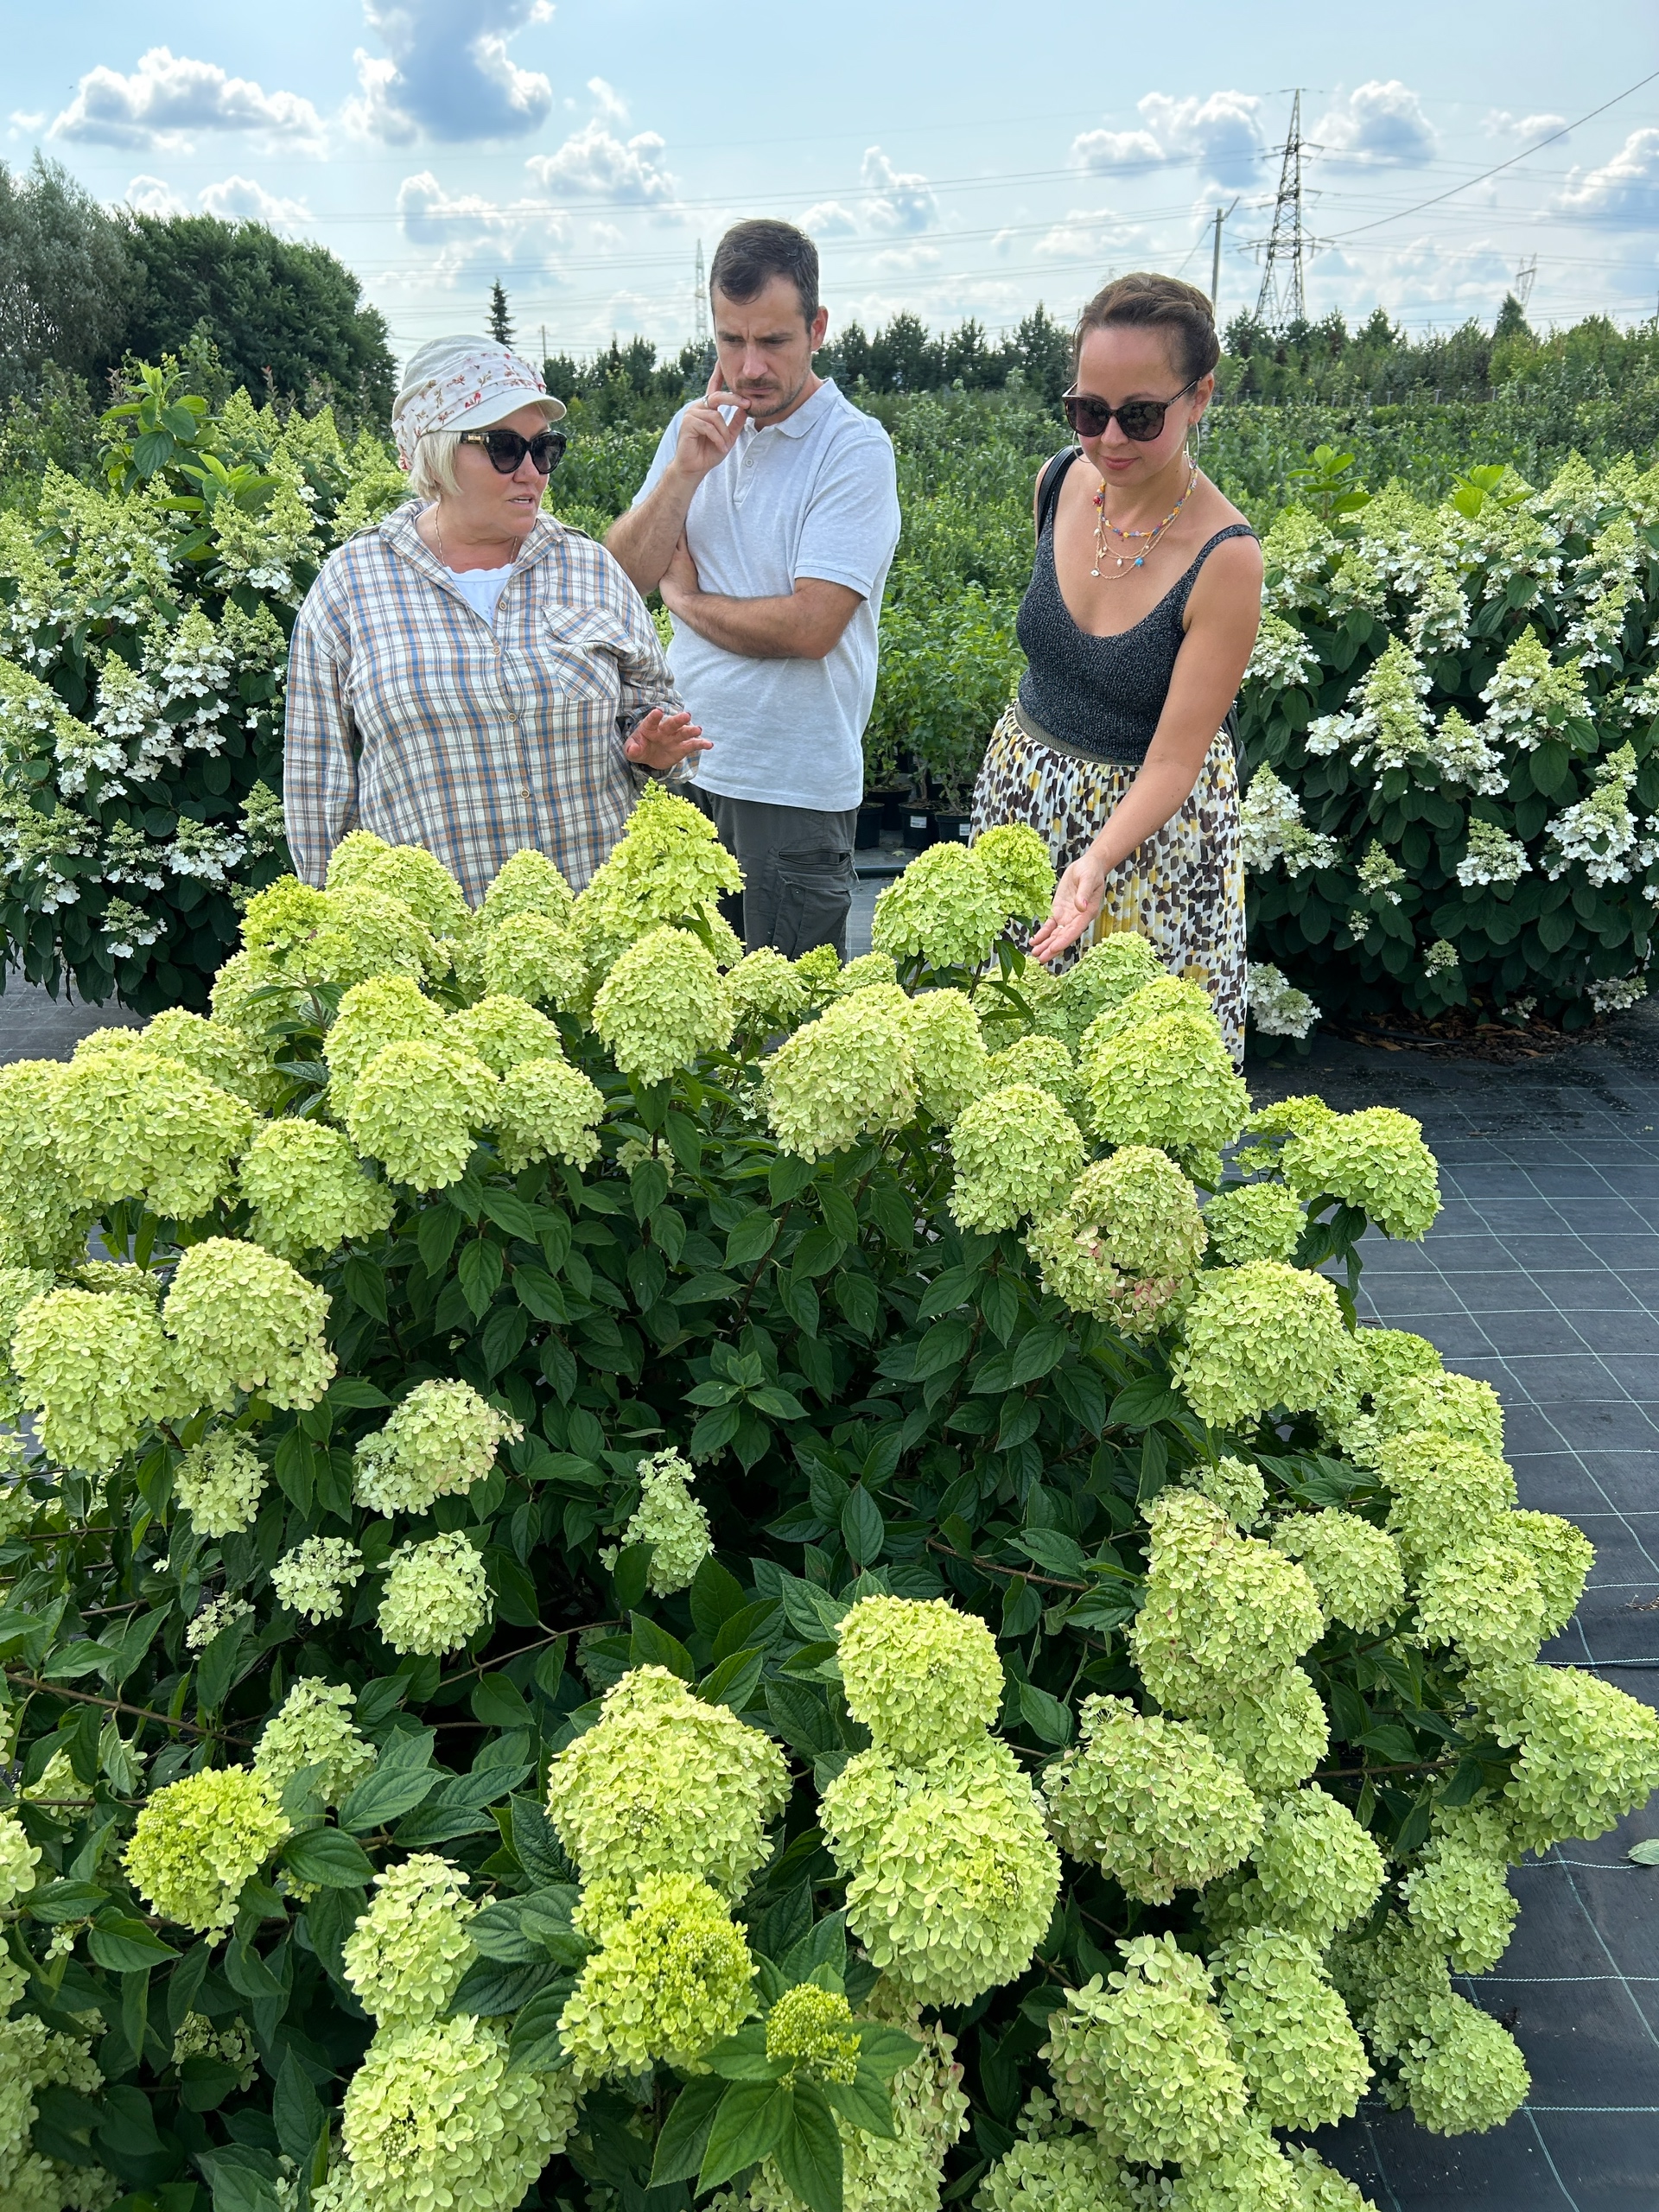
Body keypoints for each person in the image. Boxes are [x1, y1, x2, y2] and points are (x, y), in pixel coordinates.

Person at [283, 335, 708, 905]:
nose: (532, 471)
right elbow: (316, 779)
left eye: (544, 448)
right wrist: (321, 915)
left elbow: (657, 710)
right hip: (431, 940)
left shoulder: (587, 568)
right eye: (505, 448)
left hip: (593, 926)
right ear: (436, 453)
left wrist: (655, 749)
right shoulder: (352, 583)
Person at [970, 273, 1263, 1062]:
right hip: (1021, 806)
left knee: (1131, 1076)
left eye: (1140, 416)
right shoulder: (1058, 482)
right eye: (1087, 411)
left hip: (1147, 848)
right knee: (1009, 1060)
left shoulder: (1226, 559)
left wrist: (1096, 860)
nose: (1109, 439)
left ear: (1199, 398)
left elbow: (1175, 760)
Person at [605, 219, 901, 961]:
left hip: (790, 791)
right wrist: (684, 473)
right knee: (678, 1003)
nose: (749, 366)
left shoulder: (852, 449)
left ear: (817, 329)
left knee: (782, 1017)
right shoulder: (694, 429)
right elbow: (622, 580)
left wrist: (687, 602)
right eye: (731, 340)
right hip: (682, 774)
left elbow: (810, 626)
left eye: (773, 341)